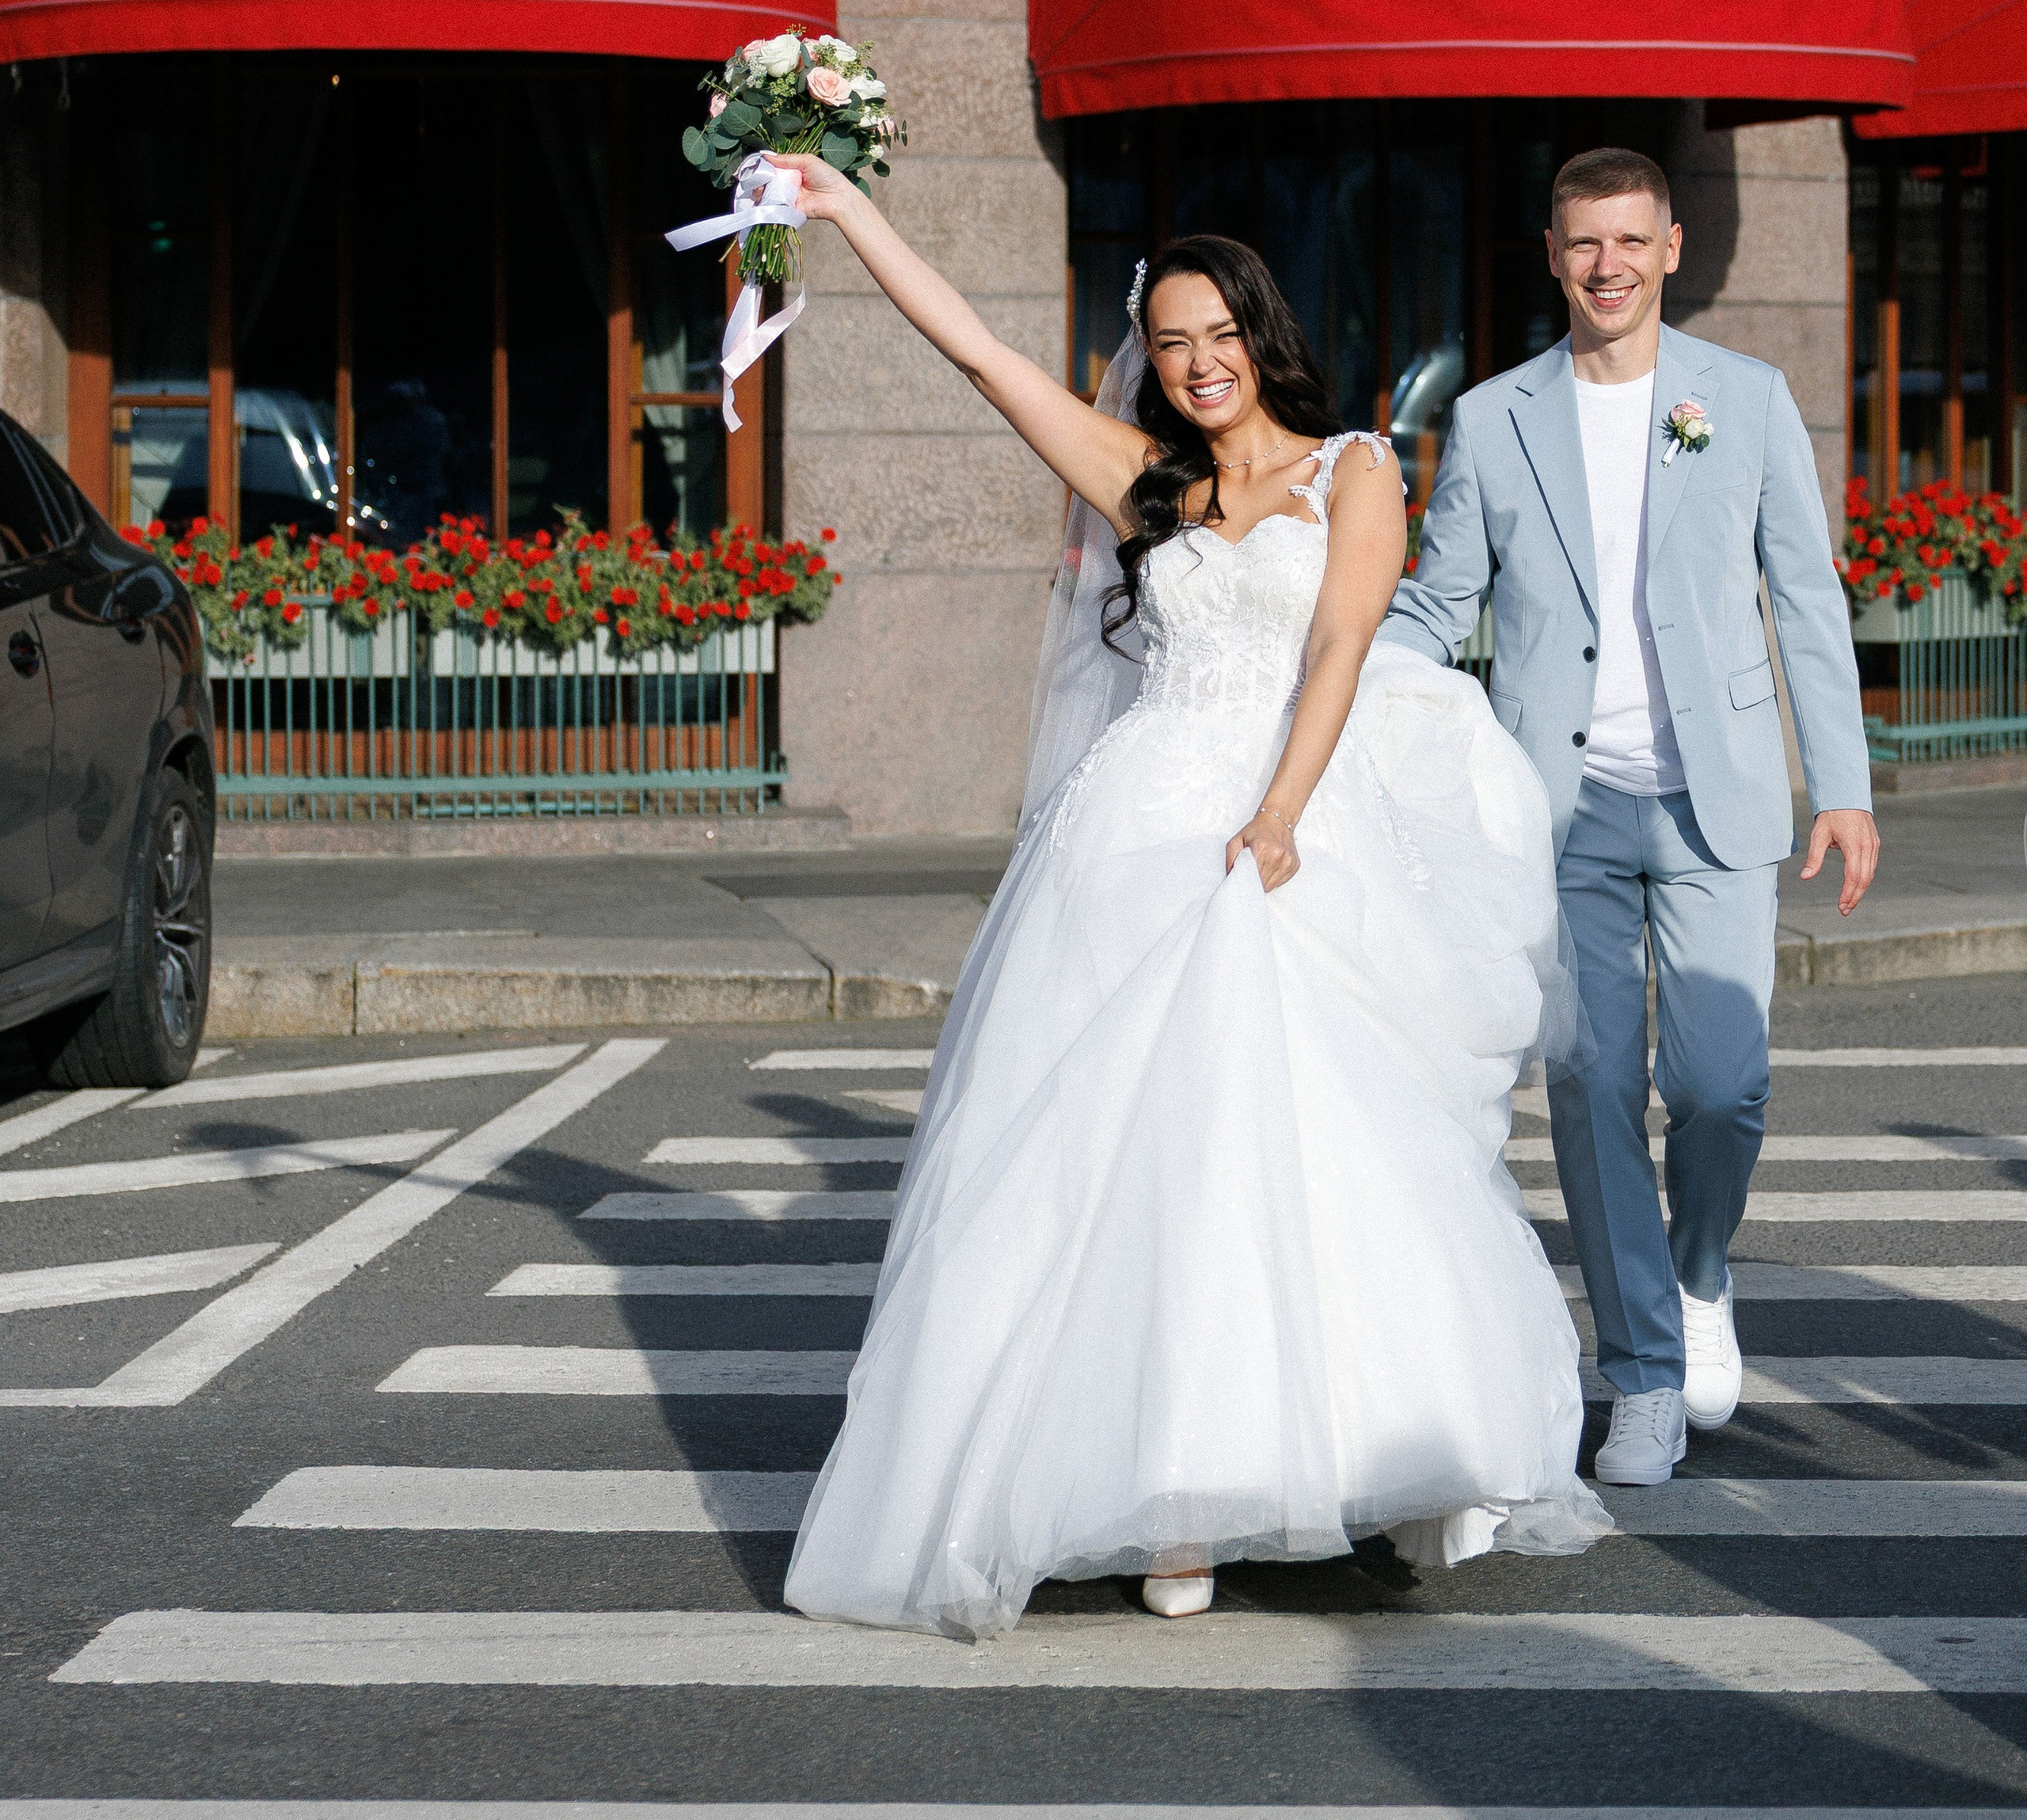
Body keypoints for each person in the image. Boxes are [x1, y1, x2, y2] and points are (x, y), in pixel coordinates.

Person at [774, 151, 1610, 1640]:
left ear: (1260, 336)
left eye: (1220, 335)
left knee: (1305, 1148)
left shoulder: (1354, 467)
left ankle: (1362, 1452)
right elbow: (978, 354)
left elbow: (1345, 646)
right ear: (1148, 360)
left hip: (1286, 817)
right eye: (1171, 342)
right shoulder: (1141, 479)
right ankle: (1164, 1496)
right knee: (1118, 1168)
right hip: (1132, 831)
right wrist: (850, 214)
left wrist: (1279, 816)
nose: (1199, 363)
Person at [1385, 146, 1878, 1488]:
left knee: (1719, 1086)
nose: (1606, 266)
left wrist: (1841, 786)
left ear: (1669, 248)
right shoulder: (1493, 421)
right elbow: (1441, 602)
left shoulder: (1748, 400)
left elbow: (1808, 601)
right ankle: (1645, 1373)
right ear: (1552, 256)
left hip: (1715, 797)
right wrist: (1340, 675)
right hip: (1560, 808)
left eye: (1630, 241)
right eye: (1581, 243)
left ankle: (1703, 1270)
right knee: (1595, 1085)